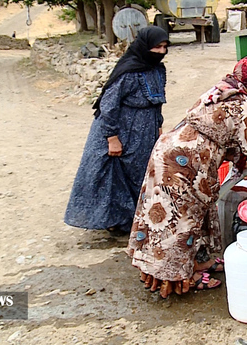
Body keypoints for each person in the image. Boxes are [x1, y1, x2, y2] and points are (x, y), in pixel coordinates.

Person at [127, 55, 247, 298]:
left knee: (172, 213)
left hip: (167, 151)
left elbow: (222, 133)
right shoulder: (242, 105)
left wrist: (239, 157)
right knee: (181, 219)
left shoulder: (220, 90)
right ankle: (181, 276)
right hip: (187, 163)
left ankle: (195, 263)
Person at [64, 26, 170, 235]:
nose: (160, 52)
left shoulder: (158, 71)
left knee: (139, 175)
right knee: (111, 175)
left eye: (165, 47)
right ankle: (113, 221)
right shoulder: (128, 72)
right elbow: (109, 105)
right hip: (120, 130)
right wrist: (112, 137)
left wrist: (158, 127)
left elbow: (157, 103)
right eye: (156, 47)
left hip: (144, 132)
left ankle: (132, 219)